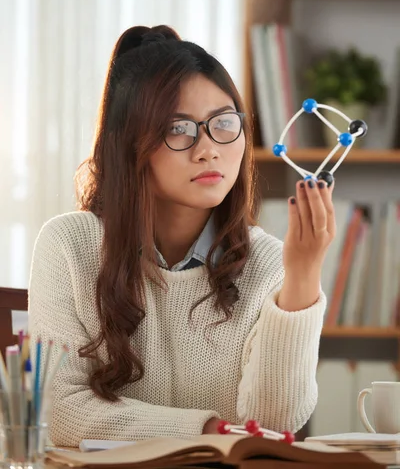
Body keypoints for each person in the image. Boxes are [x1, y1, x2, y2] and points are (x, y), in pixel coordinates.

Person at [28, 25, 335, 447]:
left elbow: (273, 424)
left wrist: (303, 276)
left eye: (224, 123)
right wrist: (207, 432)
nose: (208, 148)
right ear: (128, 144)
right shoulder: (68, 246)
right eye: (178, 129)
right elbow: (57, 411)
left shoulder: (268, 262)